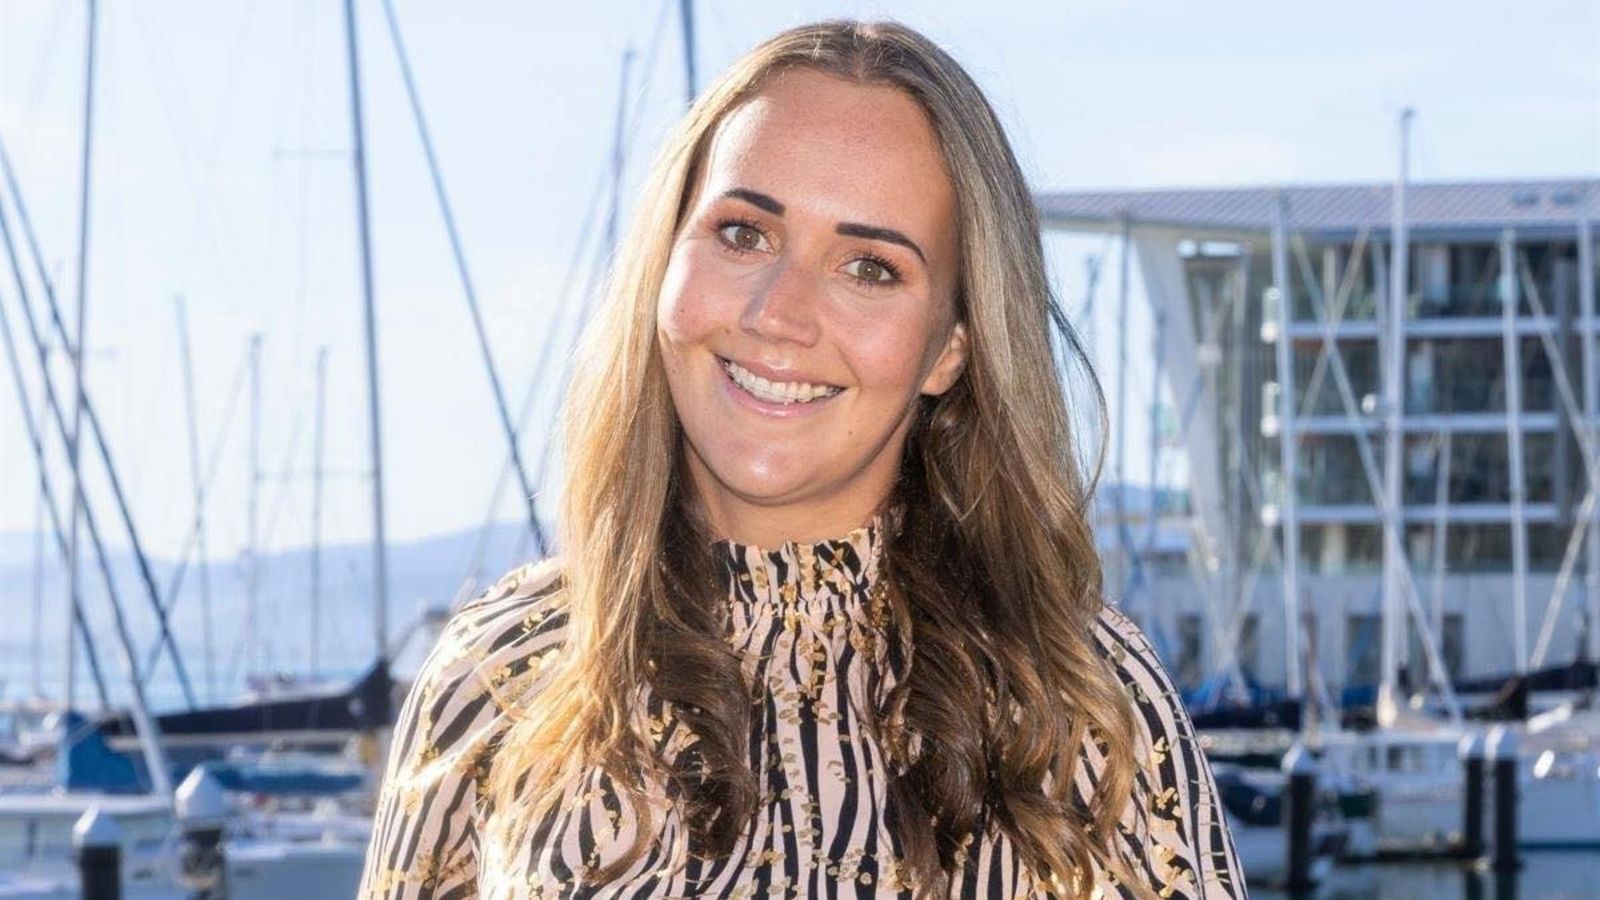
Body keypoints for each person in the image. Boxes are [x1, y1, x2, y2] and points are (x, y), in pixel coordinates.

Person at [358, 20, 1242, 900]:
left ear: (952, 349)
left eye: (869, 268)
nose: (780, 315)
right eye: (744, 234)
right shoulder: (501, 674)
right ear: (664, 264)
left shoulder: (1085, 703)